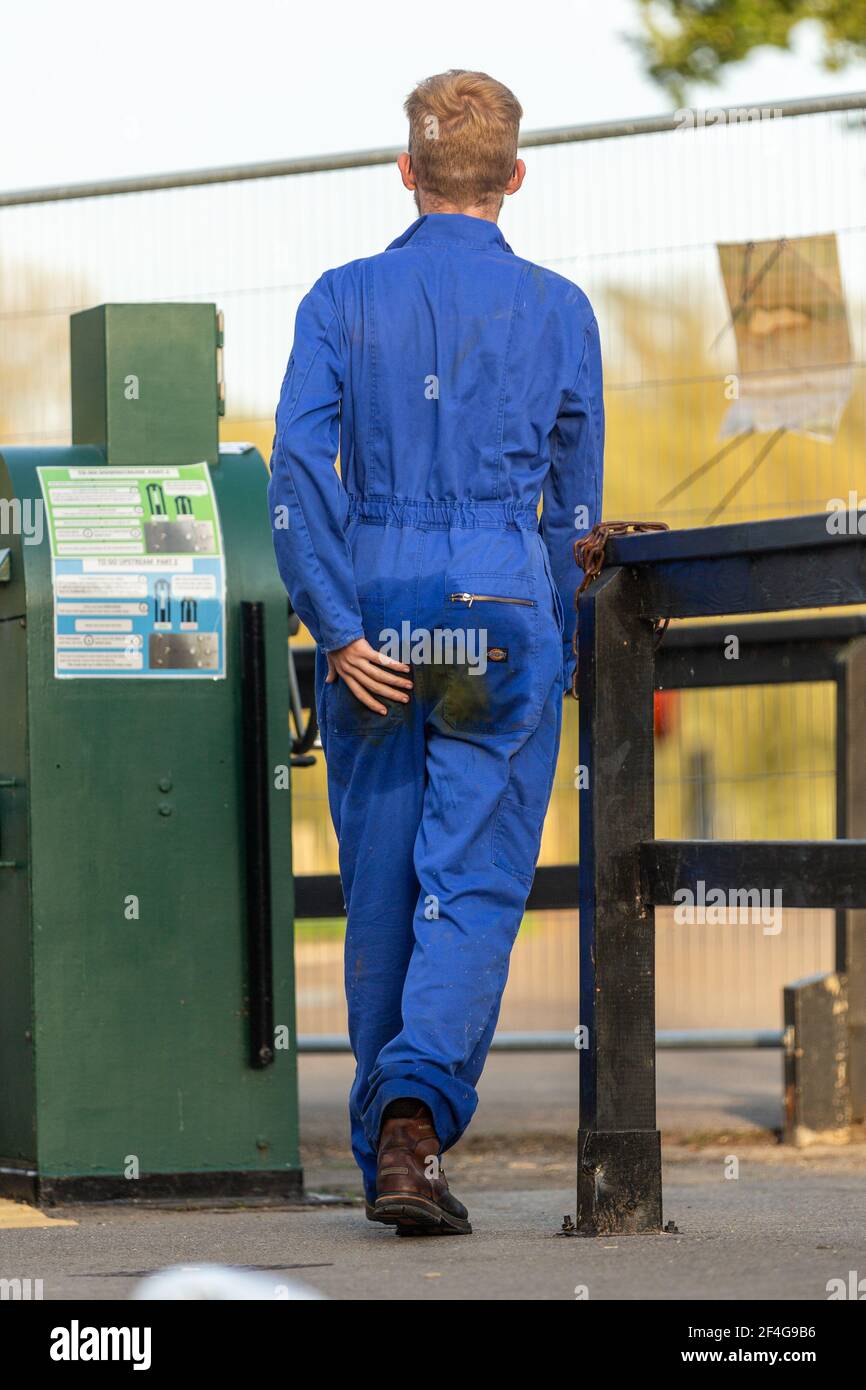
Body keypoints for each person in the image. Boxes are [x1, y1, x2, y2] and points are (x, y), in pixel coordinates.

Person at [269, 69, 604, 1235]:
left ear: (405, 172)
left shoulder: (338, 297)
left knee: (379, 884)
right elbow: (573, 505)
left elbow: (296, 468)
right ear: (515, 177)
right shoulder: (559, 309)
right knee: (470, 883)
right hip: (497, 609)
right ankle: (413, 1120)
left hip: (374, 609)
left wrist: (334, 622)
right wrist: (558, 640)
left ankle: (389, 1148)